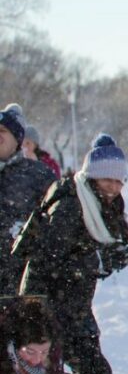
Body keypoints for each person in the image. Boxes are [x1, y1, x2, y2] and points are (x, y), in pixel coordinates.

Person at [20, 134, 128, 374]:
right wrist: (95, 259)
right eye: (107, 178)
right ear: (91, 176)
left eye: (118, 179)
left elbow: (118, 245)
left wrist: (118, 255)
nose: (114, 186)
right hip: (49, 309)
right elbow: (47, 262)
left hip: (76, 308)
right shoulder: (71, 204)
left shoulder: (106, 204)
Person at [0, 105, 56, 297]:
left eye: (3, 131)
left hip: (23, 291)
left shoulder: (39, 175)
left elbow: (59, 224)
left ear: (17, 138)